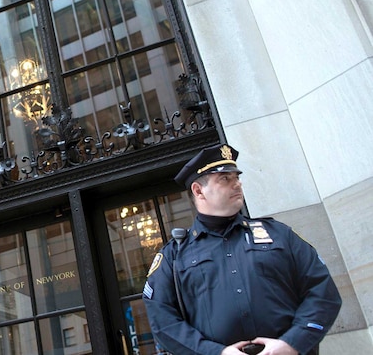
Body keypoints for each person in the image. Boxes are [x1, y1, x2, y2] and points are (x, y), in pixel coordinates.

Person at [142, 144, 342, 355]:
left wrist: (293, 343)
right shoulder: (174, 255)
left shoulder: (278, 234)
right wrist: (214, 353)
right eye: (225, 179)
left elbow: (323, 292)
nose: (237, 184)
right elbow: (163, 322)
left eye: (236, 177)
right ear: (198, 190)